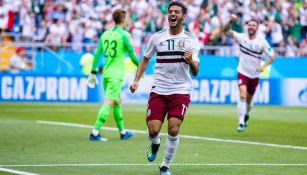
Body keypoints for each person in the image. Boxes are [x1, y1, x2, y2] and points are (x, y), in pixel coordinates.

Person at [130, 2, 200, 175]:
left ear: (184, 16)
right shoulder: (157, 37)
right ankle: (155, 143)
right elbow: (145, 59)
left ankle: (165, 166)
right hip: (159, 90)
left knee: (173, 129)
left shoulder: (190, 40)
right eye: (170, 12)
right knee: (153, 130)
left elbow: (196, 71)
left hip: (181, 90)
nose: (173, 14)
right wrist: (136, 80)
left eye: (177, 12)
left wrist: (190, 60)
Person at [87, 9, 139, 141]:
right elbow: (132, 56)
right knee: (109, 102)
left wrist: (93, 72)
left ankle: (123, 132)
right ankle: (94, 132)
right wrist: (141, 67)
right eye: (126, 19)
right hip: (116, 75)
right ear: (123, 20)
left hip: (106, 74)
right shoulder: (125, 35)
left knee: (117, 102)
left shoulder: (105, 34)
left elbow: (97, 54)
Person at [223, 14, 275, 132]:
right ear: (247, 26)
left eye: (253, 25)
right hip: (242, 71)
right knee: (242, 95)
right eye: (249, 25)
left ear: (257, 28)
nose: (251, 27)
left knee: (249, 101)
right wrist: (230, 20)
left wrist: (263, 66)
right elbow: (225, 30)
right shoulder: (241, 37)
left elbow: (272, 56)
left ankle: (246, 115)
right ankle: (241, 123)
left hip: (254, 75)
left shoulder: (262, 42)